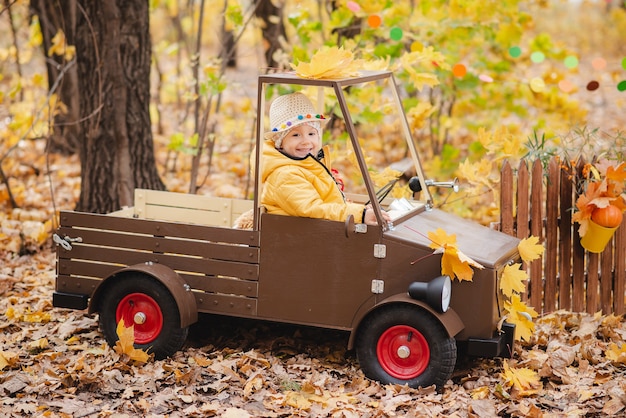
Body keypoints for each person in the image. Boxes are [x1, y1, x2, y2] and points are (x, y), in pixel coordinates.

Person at [260, 92, 390, 226]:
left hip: (319, 231)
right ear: (279, 142)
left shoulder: (308, 164)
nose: (306, 141)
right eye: (296, 135)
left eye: (311, 133)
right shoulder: (285, 175)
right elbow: (315, 209)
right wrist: (360, 215)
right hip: (296, 237)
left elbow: (330, 201)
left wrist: (362, 210)